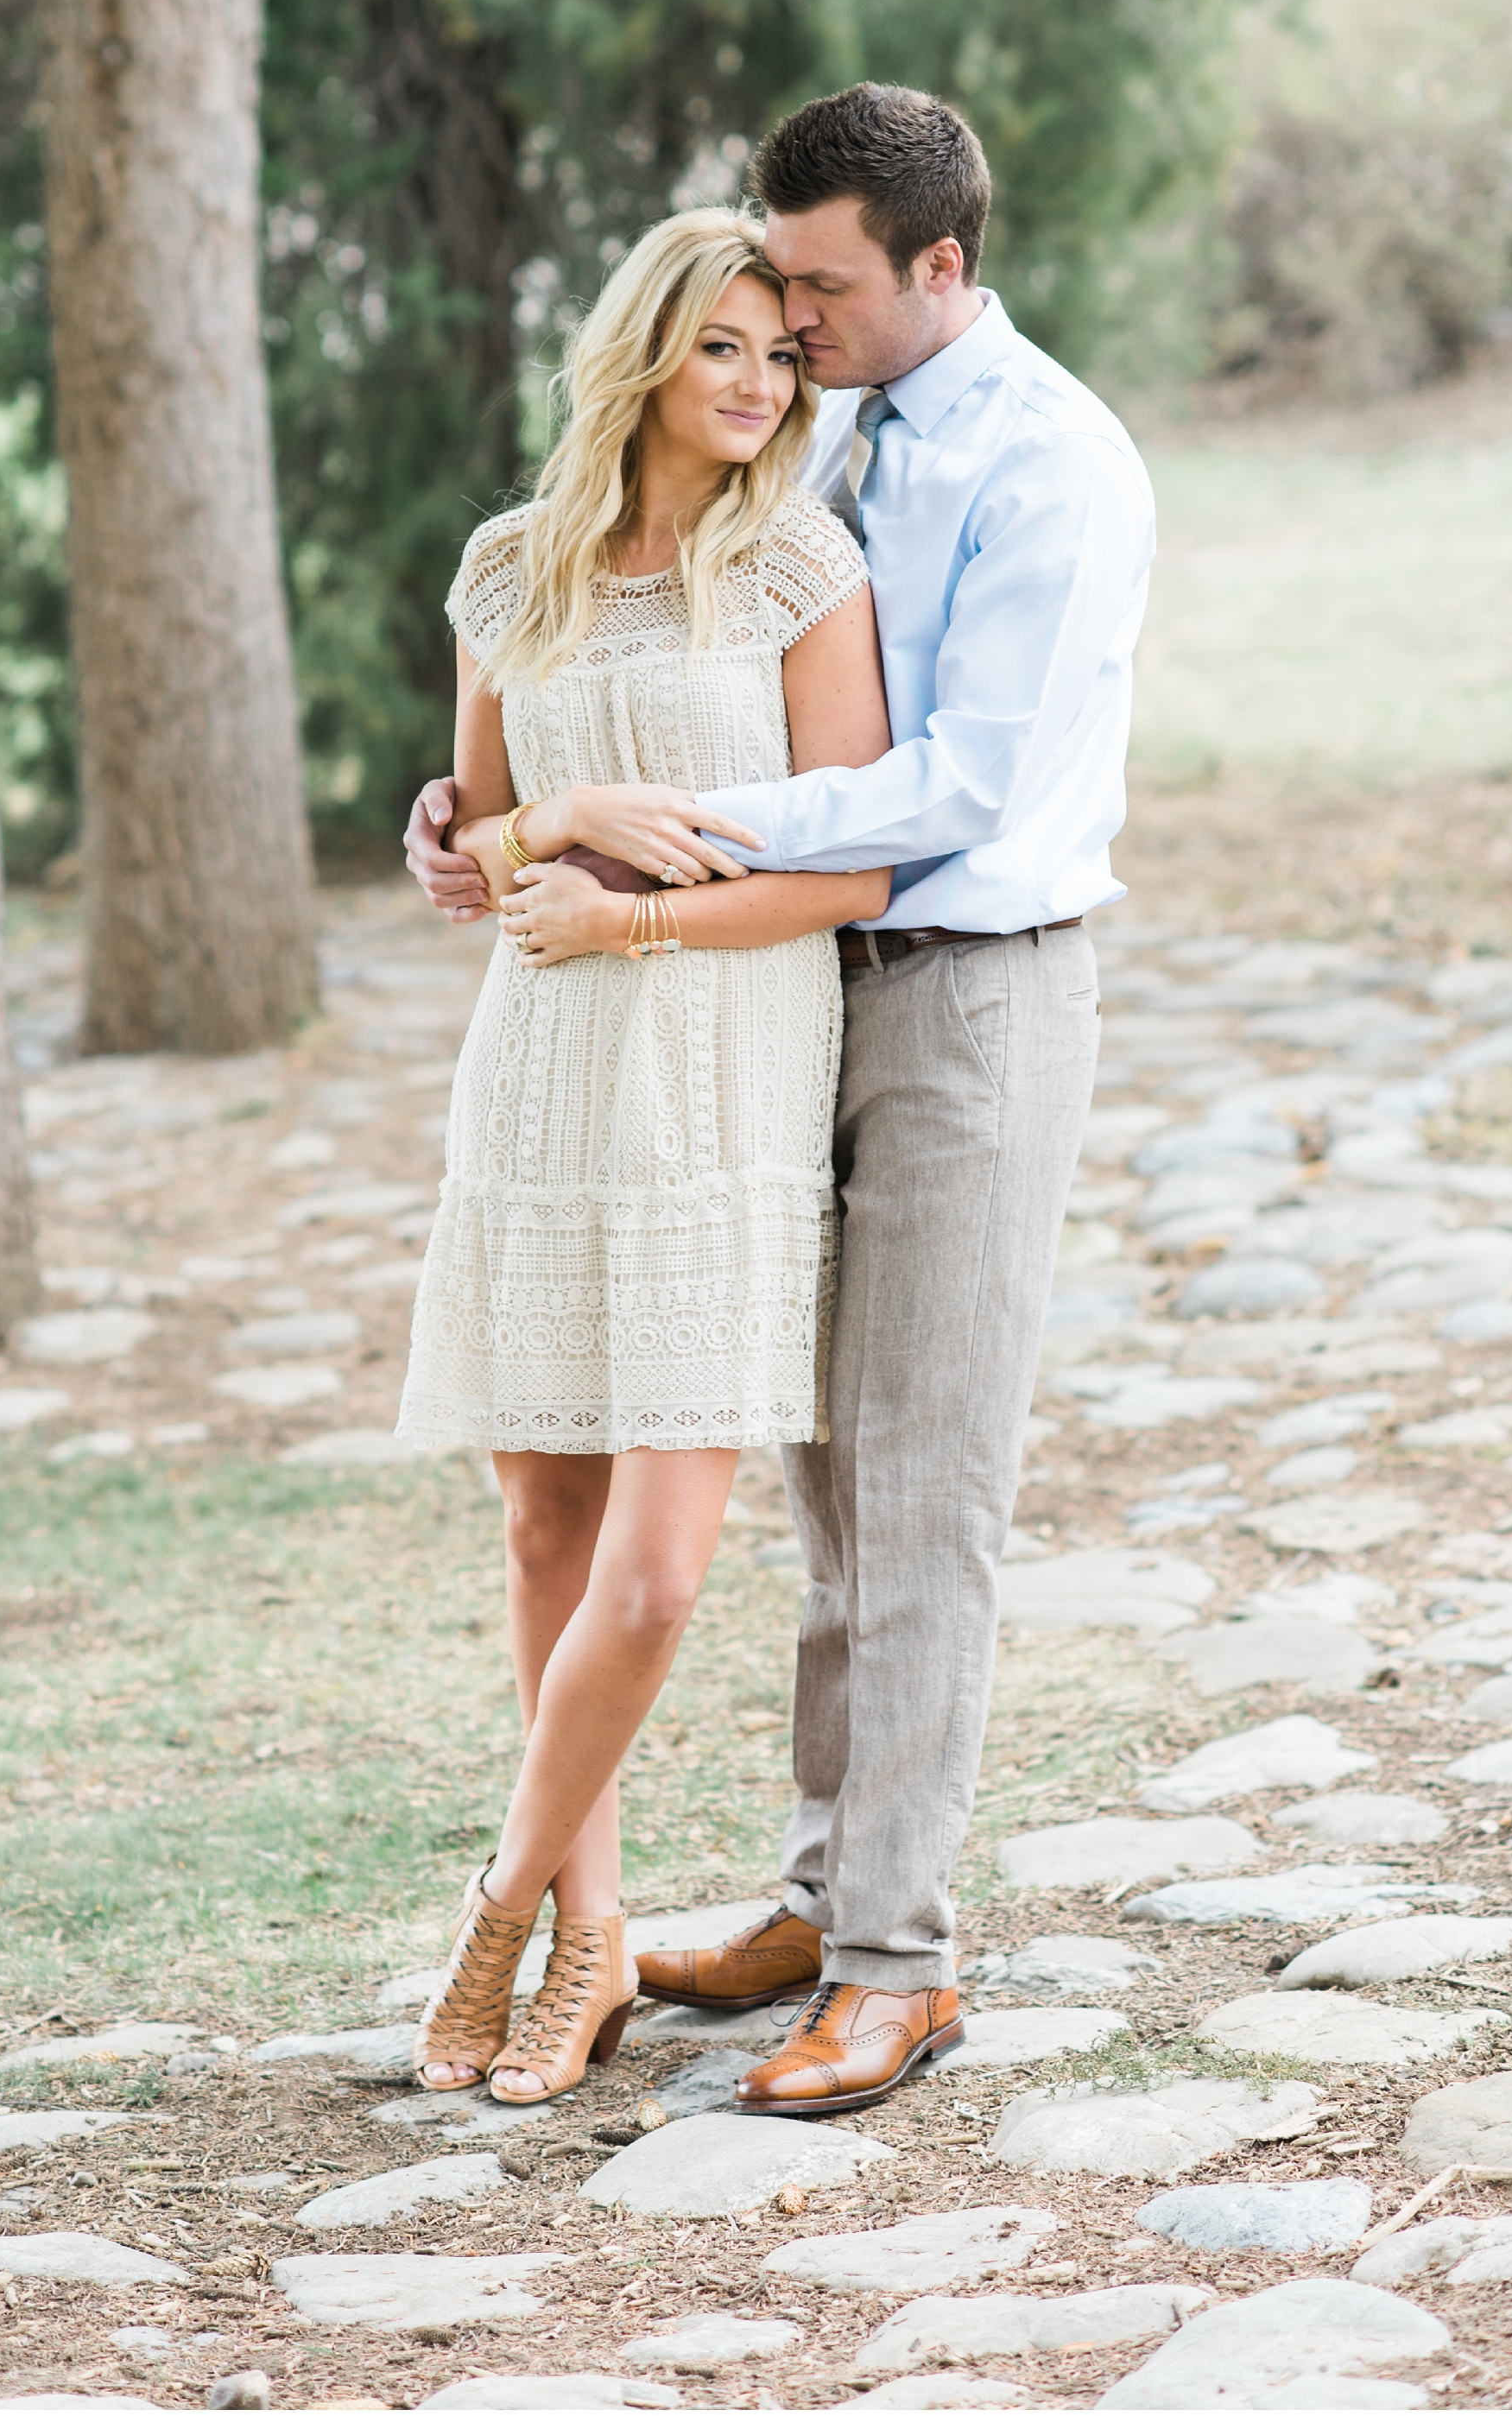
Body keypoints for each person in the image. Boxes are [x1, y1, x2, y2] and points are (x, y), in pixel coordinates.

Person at [407, 83, 1155, 2114]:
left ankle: (898, 1964)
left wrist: (628, 829)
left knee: (919, 1498)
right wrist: (485, 816)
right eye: (761, 297)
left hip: (964, 993)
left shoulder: (1047, 463)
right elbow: (600, 640)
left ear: (940, 268)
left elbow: (960, 786)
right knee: (827, 1497)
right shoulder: (823, 431)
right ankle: (828, 1896)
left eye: (818, 289)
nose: (788, 331)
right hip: (787, 1000)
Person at [396, 205, 892, 2108]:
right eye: (726, 351)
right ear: (644, 357)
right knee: (543, 1526)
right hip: (539, 1066)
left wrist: (638, 919)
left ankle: (503, 1908)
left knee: (663, 1568)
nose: (763, 387)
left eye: (781, 354)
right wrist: (554, 826)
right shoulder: (509, 569)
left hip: (719, 1062)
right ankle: (591, 1939)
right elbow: (478, 848)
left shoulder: (799, 569)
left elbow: (849, 868)